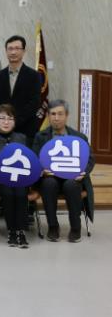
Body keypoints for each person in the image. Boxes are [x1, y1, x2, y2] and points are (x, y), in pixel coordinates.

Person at [33, 99, 95, 243]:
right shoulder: (40, 136)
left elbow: (90, 159)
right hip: (50, 177)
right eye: (53, 114)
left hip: (74, 178)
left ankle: (75, 227)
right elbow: (35, 159)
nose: (56, 118)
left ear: (66, 115)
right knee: (48, 184)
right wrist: (42, 170)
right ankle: (53, 226)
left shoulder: (79, 137)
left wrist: (83, 173)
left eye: (60, 114)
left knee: (71, 185)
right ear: (48, 116)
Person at [0, 104, 30, 248]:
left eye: (10, 119)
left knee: (21, 192)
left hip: (20, 179)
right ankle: (12, 231)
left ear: (14, 121)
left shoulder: (22, 138)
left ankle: (21, 231)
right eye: (2, 118)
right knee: (8, 193)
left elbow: (30, 161)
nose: (6, 122)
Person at [0, 35, 41, 143]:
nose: (13, 52)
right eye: (10, 49)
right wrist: (3, 121)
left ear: (24, 51)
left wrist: (14, 122)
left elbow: (34, 103)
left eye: (17, 48)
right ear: (6, 51)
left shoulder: (34, 76)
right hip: (1, 131)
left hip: (26, 130)